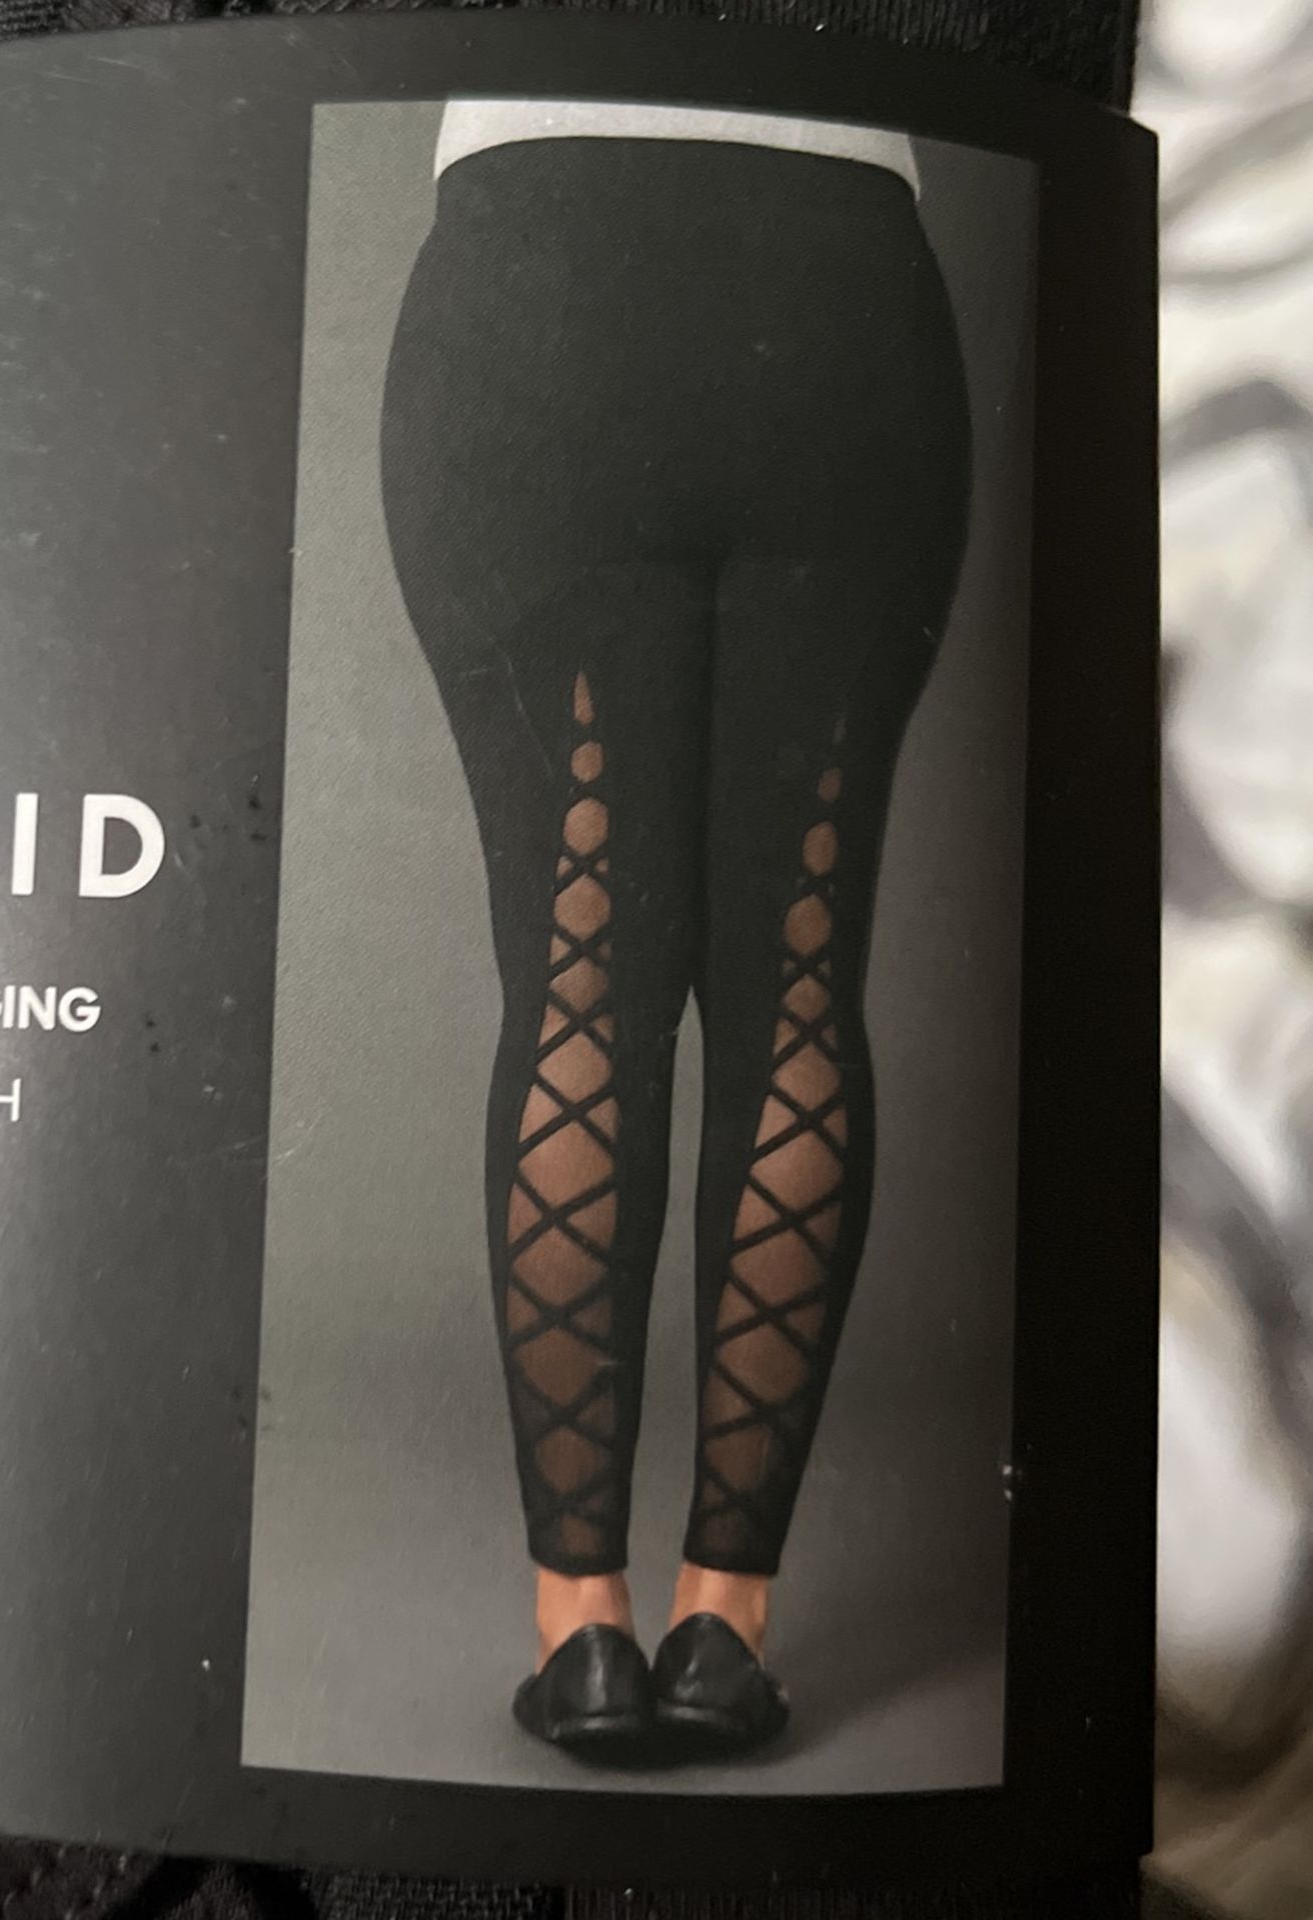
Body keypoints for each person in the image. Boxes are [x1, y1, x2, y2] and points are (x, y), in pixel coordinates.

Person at [381, 102, 971, 1755]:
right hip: (844, 301)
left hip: (540, 278)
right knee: (801, 997)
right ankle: (724, 1634)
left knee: (579, 995)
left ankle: (582, 1637)